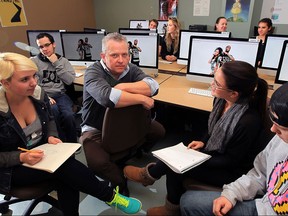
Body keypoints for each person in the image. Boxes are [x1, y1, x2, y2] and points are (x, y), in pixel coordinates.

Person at [0, 52, 142, 216]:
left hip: (40, 155)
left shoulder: (37, 94)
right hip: (11, 168)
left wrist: (50, 135)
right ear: (5, 83)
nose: (34, 83)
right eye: (25, 79)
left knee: (67, 174)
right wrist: (21, 157)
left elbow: (50, 119)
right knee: (66, 170)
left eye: (34, 76)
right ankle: (109, 196)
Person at [124, 60, 269, 215]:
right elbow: (212, 129)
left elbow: (232, 160)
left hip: (233, 170)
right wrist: (203, 142)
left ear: (234, 94)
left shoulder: (248, 121)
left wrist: (197, 159)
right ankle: (150, 175)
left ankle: (168, 206)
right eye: (214, 79)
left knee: (177, 167)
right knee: (181, 151)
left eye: (217, 84)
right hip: (218, 155)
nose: (212, 85)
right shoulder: (222, 99)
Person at [180, 82, 288, 216]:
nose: (273, 129)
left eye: (282, 128)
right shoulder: (280, 141)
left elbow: (231, 160)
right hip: (265, 204)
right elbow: (260, 174)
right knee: (188, 201)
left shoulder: (248, 121)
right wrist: (231, 194)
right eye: (274, 123)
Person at [80, 32, 165, 196]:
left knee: (158, 131)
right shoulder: (93, 72)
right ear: (103, 56)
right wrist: (141, 98)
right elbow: (108, 98)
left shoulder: (130, 69)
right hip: (95, 127)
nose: (121, 60)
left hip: (127, 121)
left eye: (125, 54)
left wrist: (121, 87)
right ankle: (121, 178)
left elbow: (154, 86)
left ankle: (135, 151)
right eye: (114, 55)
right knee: (97, 163)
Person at [31, 32, 78, 143]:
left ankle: (72, 143)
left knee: (69, 115)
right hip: (44, 95)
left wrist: (56, 63)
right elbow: (33, 84)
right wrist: (45, 96)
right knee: (54, 112)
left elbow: (69, 80)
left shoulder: (63, 61)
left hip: (60, 94)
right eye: (41, 47)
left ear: (54, 44)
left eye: (47, 45)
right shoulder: (34, 62)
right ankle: (60, 142)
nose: (44, 49)